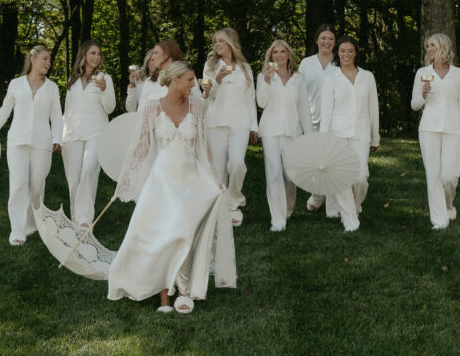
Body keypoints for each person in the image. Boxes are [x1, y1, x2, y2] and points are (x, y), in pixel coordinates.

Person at [108, 61, 236, 313]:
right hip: (162, 182)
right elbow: (141, 147)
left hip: (190, 180)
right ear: (175, 80)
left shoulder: (197, 106)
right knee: (161, 236)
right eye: (189, 80)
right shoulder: (152, 108)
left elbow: (203, 147)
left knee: (184, 232)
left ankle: (185, 291)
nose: (193, 85)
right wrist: (127, 179)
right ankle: (164, 296)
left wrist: (215, 178)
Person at [0, 44, 63, 245]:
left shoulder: (52, 87)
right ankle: (17, 229)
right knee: (18, 185)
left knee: (36, 185)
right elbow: (4, 111)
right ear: (32, 59)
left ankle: (32, 225)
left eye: (49, 60)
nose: (48, 63)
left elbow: (57, 117)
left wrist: (57, 139)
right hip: (17, 142)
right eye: (44, 59)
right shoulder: (16, 84)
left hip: (43, 143)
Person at [411, 32, 460, 230]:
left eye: (432, 45)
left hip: (454, 129)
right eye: (427, 46)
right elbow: (414, 104)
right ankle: (439, 219)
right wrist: (423, 95)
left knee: (450, 176)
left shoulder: (458, 74)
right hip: (428, 129)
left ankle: (448, 204)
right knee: (433, 176)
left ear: (443, 46)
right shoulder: (422, 73)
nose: (429, 49)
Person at [319, 35, 380, 231]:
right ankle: (350, 220)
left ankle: (354, 206)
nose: (346, 54)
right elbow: (326, 110)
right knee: (342, 176)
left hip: (361, 133)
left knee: (361, 177)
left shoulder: (368, 76)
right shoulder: (330, 77)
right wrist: (323, 138)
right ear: (338, 53)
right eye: (342, 51)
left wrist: (375, 137)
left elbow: (373, 108)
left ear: (355, 53)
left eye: (350, 51)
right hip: (337, 133)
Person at [201, 28, 258, 226]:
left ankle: (234, 203)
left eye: (221, 41)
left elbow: (250, 99)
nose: (217, 45)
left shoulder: (245, 68)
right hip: (215, 122)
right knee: (217, 170)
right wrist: (216, 81)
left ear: (231, 43)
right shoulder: (209, 67)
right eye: (215, 41)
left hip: (240, 123)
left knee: (236, 164)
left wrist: (254, 126)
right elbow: (207, 98)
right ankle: (220, 208)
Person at [256, 39, 313, 232]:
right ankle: (278, 219)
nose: (279, 55)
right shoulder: (263, 77)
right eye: (275, 52)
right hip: (270, 131)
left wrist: (309, 135)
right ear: (270, 56)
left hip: (293, 131)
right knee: (273, 174)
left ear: (288, 55)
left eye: (282, 52)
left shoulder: (298, 78)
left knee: (291, 175)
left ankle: (287, 208)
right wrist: (265, 81)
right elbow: (261, 103)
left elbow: (304, 109)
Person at [61, 40, 116, 226]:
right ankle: (76, 220)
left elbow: (110, 108)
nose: (96, 57)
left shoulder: (105, 79)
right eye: (93, 53)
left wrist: (105, 90)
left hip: (96, 132)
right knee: (74, 179)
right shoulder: (73, 80)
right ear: (84, 54)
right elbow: (67, 111)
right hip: (72, 134)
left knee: (89, 170)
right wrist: (61, 137)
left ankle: (85, 221)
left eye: (99, 54)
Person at [298, 23, 338, 214]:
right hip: (310, 117)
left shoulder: (340, 63)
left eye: (330, 39)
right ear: (317, 40)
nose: (327, 42)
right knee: (315, 162)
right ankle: (318, 193)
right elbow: (299, 90)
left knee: (331, 161)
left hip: (335, 119)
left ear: (335, 42)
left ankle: (331, 202)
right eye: (323, 38)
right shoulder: (306, 63)